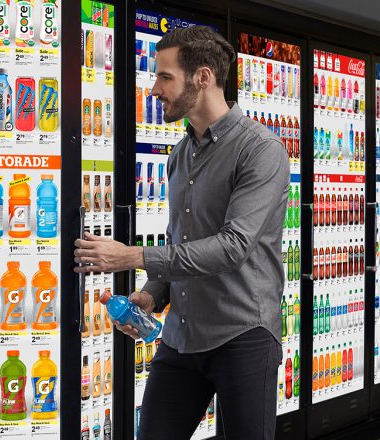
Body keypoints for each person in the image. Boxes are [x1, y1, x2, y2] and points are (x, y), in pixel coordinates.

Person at [74, 25, 289, 440]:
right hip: (182, 336)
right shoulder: (180, 154)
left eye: (165, 76)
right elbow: (181, 243)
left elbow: (233, 247)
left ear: (203, 77)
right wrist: (152, 294)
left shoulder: (260, 150)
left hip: (242, 334)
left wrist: (133, 257)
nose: (155, 89)